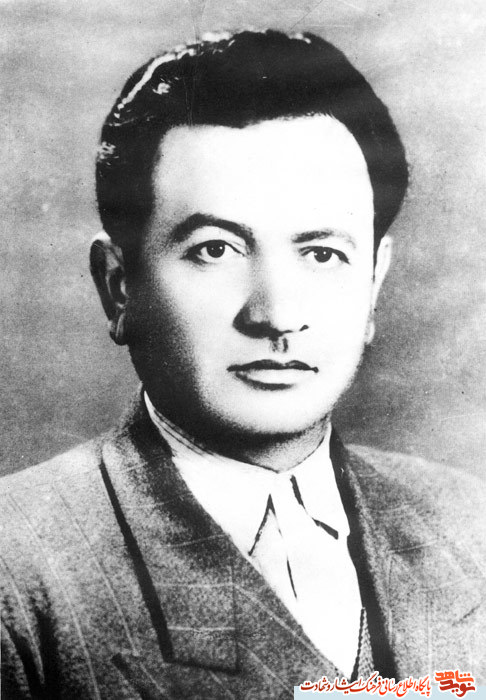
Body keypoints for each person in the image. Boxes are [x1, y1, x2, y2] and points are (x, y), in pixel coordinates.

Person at [1, 29, 485, 700]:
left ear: (373, 285)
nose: (276, 315)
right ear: (119, 287)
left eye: (322, 254)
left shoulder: (472, 524)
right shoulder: (17, 570)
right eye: (215, 250)